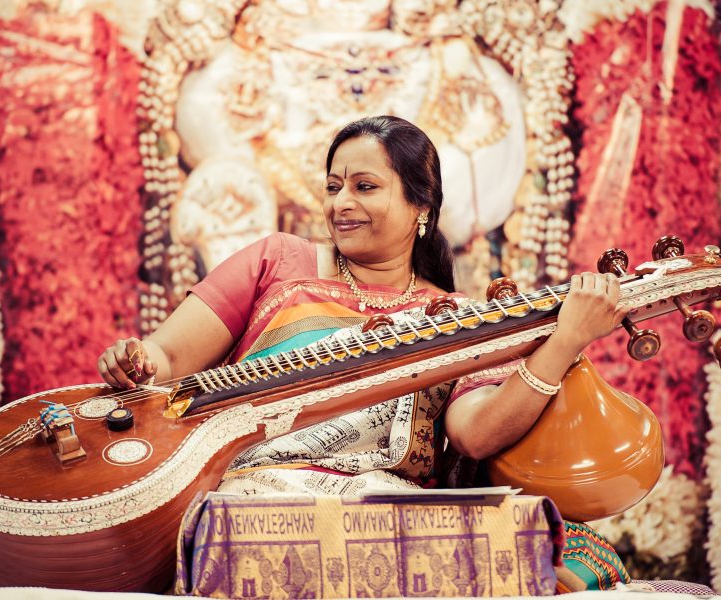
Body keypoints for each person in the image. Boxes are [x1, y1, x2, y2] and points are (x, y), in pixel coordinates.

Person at [98, 115, 625, 494]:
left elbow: (475, 433)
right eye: (333, 186)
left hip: (380, 507)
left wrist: (567, 341)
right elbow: (166, 359)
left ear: (421, 204)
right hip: (250, 491)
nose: (340, 203)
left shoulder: (454, 318)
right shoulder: (278, 259)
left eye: (364, 186)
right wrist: (137, 362)